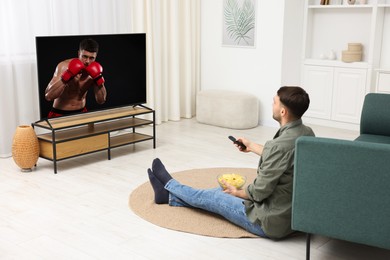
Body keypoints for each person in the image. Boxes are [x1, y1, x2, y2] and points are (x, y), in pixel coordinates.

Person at [147, 86, 315, 239]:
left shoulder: (278, 147)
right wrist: (251, 146)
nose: (272, 105)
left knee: (216, 194)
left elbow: (258, 192)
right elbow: (283, 157)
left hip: (269, 222)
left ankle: (170, 185)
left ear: (283, 111)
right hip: (293, 216)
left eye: (274, 102)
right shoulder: (306, 134)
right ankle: (167, 197)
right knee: (215, 193)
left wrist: (237, 192)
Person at [45, 38, 107, 118]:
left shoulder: (95, 71)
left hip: (81, 113)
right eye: (84, 56)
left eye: (92, 58)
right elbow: (48, 96)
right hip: (60, 113)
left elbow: (101, 100)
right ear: (78, 54)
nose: (87, 61)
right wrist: (68, 75)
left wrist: (98, 79)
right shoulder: (63, 66)